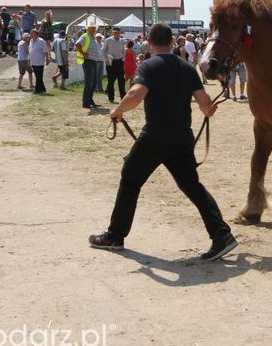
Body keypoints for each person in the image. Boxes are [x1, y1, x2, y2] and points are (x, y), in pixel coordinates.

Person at [88, 23, 237, 261]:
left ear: (149, 41)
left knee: (130, 180)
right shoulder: (188, 68)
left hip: (155, 138)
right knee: (192, 187)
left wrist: (117, 111)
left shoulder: (148, 65)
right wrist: (210, 110)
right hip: (181, 139)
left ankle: (115, 235)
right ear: (171, 42)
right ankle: (222, 235)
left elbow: (135, 94)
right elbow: (205, 105)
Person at [75, 24, 102, 109]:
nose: (94, 29)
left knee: (93, 83)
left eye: (95, 28)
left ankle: (90, 101)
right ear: (88, 28)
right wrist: (83, 54)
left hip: (93, 62)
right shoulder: (85, 36)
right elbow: (77, 44)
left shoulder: (92, 37)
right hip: (88, 62)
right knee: (89, 83)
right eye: (92, 28)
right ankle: (86, 103)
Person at [101, 27, 127, 104]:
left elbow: (124, 50)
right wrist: (105, 60)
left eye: (117, 32)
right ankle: (111, 98)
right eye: (115, 32)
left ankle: (123, 97)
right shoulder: (108, 40)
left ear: (120, 33)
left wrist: (123, 60)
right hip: (110, 62)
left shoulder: (122, 40)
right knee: (111, 81)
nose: (116, 34)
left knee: (121, 81)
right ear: (112, 33)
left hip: (119, 62)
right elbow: (102, 50)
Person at [28, 29, 50, 94]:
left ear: (36, 34)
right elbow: (30, 50)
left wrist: (47, 59)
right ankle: (42, 89)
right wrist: (29, 59)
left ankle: (37, 90)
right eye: (30, 33)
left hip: (39, 62)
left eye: (31, 34)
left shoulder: (41, 41)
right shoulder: (31, 41)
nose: (30, 35)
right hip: (33, 61)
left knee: (39, 76)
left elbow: (45, 51)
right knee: (38, 76)